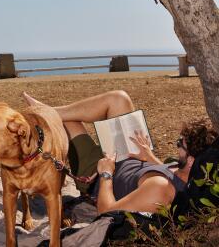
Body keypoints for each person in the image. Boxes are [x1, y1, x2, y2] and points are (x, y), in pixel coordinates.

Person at [23, 90, 217, 215]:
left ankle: (41, 113)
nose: (176, 147)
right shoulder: (188, 172)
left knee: (70, 121)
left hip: (97, 173)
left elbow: (107, 211)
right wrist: (149, 157)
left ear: (192, 161)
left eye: (179, 144)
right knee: (119, 99)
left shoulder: (161, 189)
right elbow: (173, 176)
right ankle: (44, 111)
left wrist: (106, 173)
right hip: (129, 156)